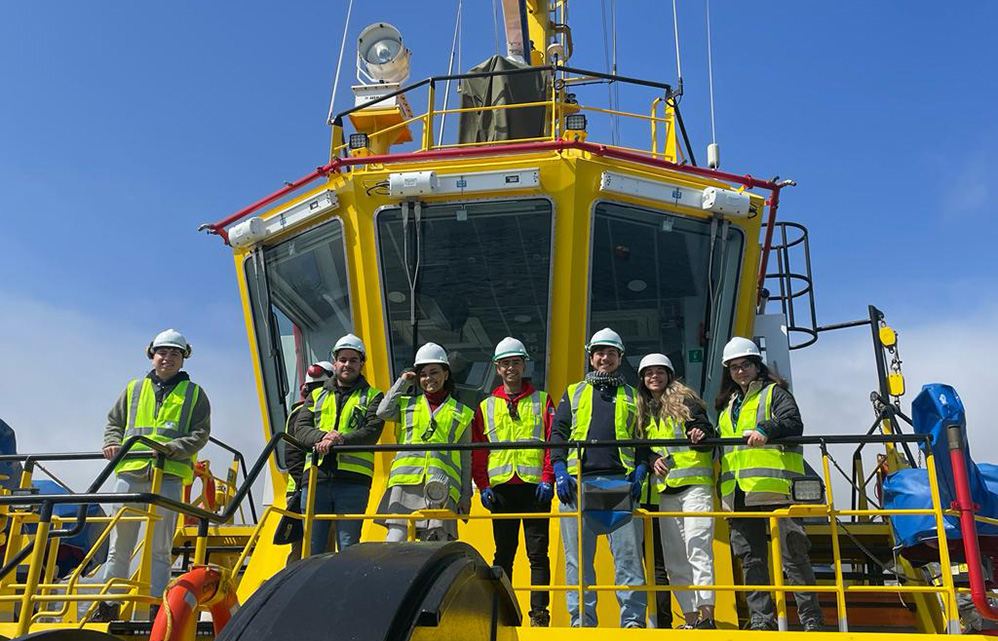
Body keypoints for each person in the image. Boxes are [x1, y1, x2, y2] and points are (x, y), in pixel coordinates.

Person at [95, 329, 210, 621]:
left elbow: (200, 434)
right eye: (163, 352)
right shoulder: (134, 389)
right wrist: (111, 442)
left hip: (168, 475)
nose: (167, 358)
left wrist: (172, 448)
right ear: (152, 354)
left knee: (160, 548)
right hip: (131, 473)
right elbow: (114, 422)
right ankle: (109, 606)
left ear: (183, 360)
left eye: (175, 354)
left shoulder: (195, 394)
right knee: (118, 544)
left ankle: (158, 610)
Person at [714, 337, 823, 632]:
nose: (740, 371)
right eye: (734, 367)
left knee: (792, 554)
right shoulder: (727, 406)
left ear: (756, 365)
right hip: (738, 492)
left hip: (777, 488)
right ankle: (762, 619)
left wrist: (766, 428)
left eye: (745, 365)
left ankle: (810, 618)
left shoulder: (774, 393)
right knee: (751, 559)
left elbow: (793, 422)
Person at [550, 328, 648, 628]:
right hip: (577, 486)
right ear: (590, 357)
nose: (604, 357)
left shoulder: (634, 396)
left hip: (619, 482)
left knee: (628, 559)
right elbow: (558, 433)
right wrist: (559, 471)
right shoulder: (574, 392)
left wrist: (640, 473)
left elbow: (644, 440)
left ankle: (632, 622)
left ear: (620, 357)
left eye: (610, 353)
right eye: (599, 352)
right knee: (577, 561)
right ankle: (581, 619)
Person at [472, 337, 555, 628]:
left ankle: (539, 614)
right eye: (505, 363)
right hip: (502, 489)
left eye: (515, 362)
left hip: (535, 489)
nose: (511, 368)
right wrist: (482, 485)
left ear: (524, 365)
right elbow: (479, 450)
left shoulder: (543, 400)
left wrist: (548, 478)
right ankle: (503, 611)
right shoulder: (485, 406)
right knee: (503, 554)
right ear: (497, 368)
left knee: (538, 553)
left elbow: (550, 443)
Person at [637, 353, 717, 630]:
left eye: (659, 371)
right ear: (643, 380)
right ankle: (690, 619)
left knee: (698, 548)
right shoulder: (646, 410)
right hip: (666, 491)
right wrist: (650, 460)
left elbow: (704, 429)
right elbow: (646, 448)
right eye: (649, 373)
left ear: (669, 375)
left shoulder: (686, 400)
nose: (654, 377)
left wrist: (700, 433)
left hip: (695, 487)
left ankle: (707, 616)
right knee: (674, 559)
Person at [294, 334, 384, 555]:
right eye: (343, 359)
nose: (347, 365)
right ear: (335, 362)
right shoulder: (315, 395)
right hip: (315, 479)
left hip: (353, 483)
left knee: (348, 548)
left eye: (354, 360)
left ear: (362, 364)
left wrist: (340, 439)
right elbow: (301, 429)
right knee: (311, 548)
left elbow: (372, 431)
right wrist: (324, 437)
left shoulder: (374, 396)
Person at [376, 342, 474, 542]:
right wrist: (403, 382)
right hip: (405, 485)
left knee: (435, 548)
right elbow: (382, 411)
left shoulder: (463, 413)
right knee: (394, 541)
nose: (429, 378)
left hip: (442, 488)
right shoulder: (406, 405)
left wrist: (465, 496)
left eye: (434, 372)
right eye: (423, 374)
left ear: (446, 374)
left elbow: (466, 459)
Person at [277, 360, 334, 562]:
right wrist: (306, 483)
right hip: (303, 489)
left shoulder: (324, 412)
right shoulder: (302, 413)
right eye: (316, 389)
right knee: (303, 549)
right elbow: (293, 456)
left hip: (317, 487)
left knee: (319, 548)